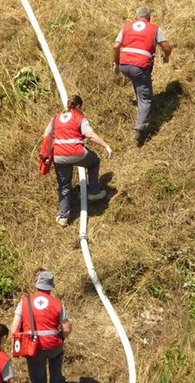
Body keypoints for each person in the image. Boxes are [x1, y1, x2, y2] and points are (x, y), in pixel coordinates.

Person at [42, 95, 113, 227]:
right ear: (79, 106)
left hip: (59, 156)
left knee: (64, 185)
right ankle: (93, 191)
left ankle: (63, 216)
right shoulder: (80, 118)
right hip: (77, 153)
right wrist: (106, 146)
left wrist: (47, 155)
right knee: (94, 162)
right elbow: (90, 135)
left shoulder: (55, 118)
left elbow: (46, 135)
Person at [112, 6, 172, 145]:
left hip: (125, 66)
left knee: (137, 82)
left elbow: (115, 46)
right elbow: (167, 47)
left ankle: (139, 104)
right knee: (145, 98)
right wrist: (166, 57)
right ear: (149, 18)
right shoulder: (154, 29)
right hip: (140, 66)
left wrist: (116, 63)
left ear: (136, 17)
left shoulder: (126, 27)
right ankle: (140, 130)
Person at [10, 271, 72, 383]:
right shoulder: (58, 304)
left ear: (37, 285)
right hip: (53, 345)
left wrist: (16, 345)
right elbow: (66, 329)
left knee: (38, 382)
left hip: (33, 348)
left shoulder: (24, 302)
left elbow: (14, 328)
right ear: (51, 287)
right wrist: (60, 337)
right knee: (56, 359)